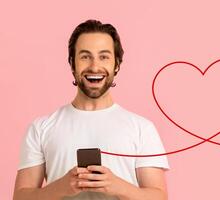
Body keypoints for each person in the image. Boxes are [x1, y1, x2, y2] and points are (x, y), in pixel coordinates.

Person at [13, 19, 169, 200]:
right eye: (85, 56)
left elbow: (159, 197)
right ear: (72, 64)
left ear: (116, 64)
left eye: (104, 56)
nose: (94, 66)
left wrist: (117, 186)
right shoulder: (40, 128)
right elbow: (20, 197)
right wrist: (62, 187)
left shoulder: (142, 129)